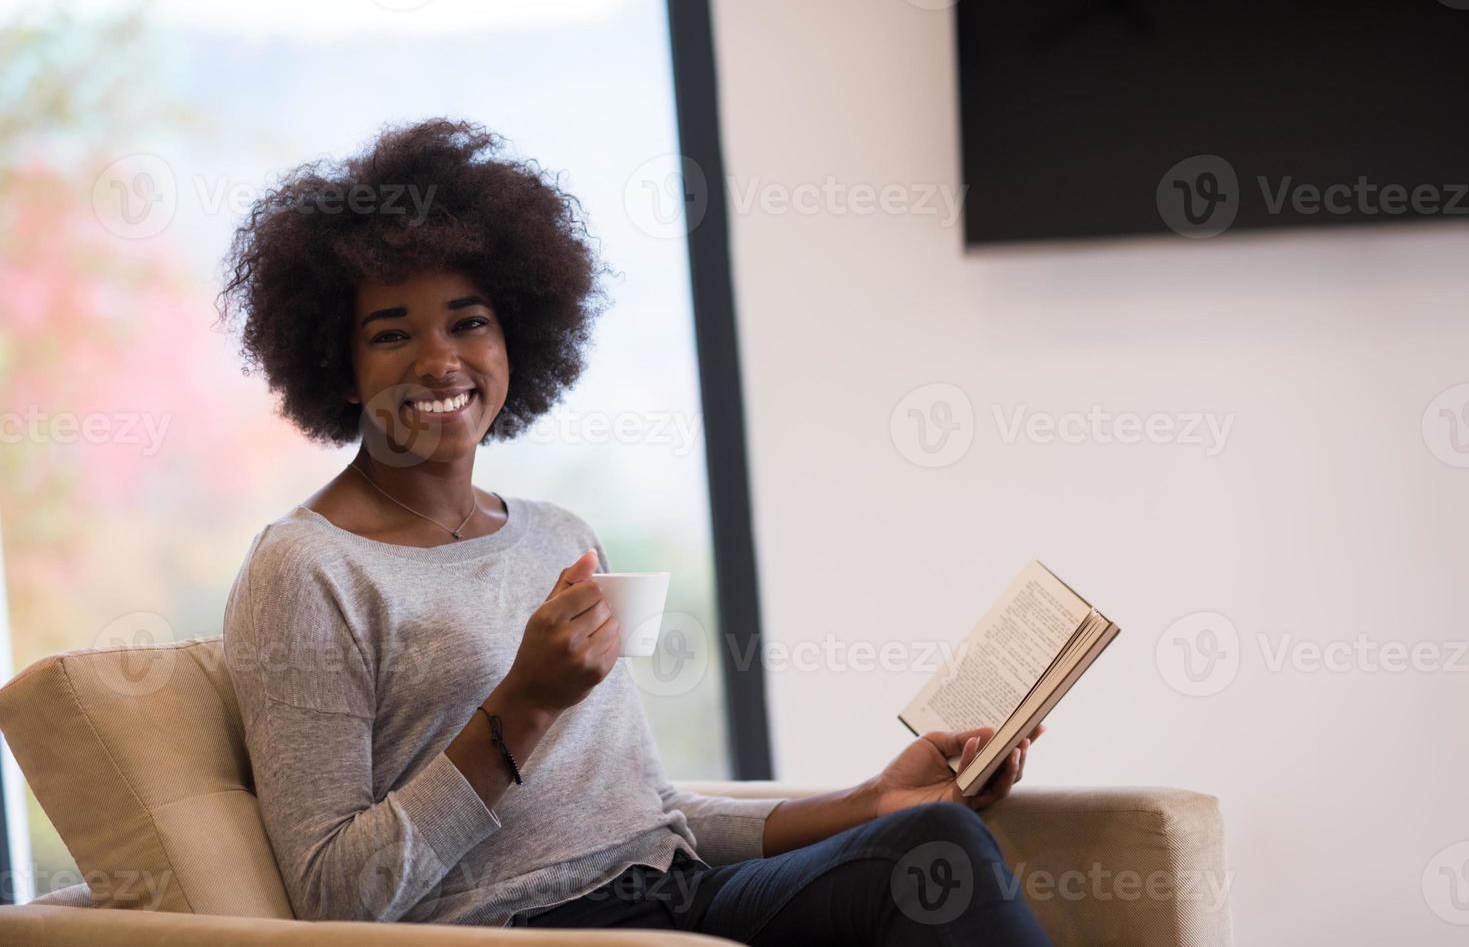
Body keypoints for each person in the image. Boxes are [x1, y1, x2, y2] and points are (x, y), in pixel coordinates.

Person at [216, 117, 1050, 945]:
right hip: (526, 928)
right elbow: (333, 898)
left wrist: (871, 800)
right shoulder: (306, 568)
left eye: (468, 322)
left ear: (515, 336)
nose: (439, 360)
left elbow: (643, 813)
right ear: (335, 363)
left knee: (929, 843)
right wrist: (522, 706)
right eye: (391, 333)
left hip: (675, 897)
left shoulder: (556, 534)